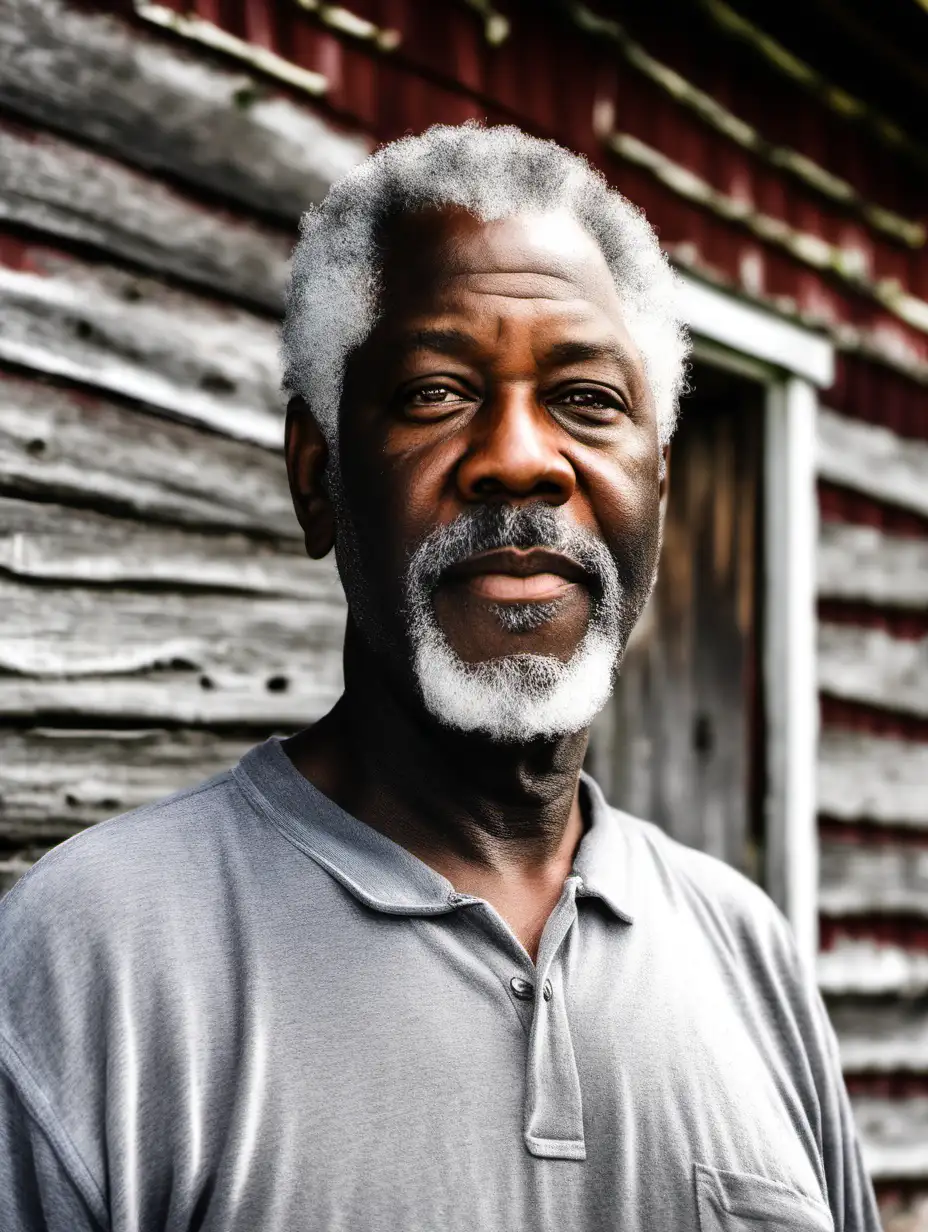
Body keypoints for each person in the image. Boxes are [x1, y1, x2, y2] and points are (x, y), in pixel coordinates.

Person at [0, 123, 879, 1231]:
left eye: (588, 400)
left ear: (657, 479)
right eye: (434, 391)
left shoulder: (746, 954)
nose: (520, 456)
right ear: (317, 476)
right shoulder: (90, 961)